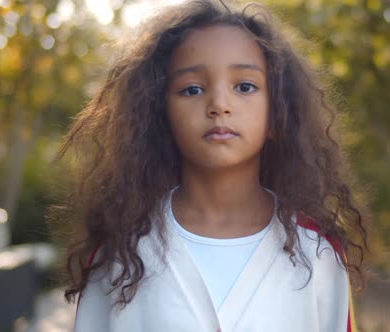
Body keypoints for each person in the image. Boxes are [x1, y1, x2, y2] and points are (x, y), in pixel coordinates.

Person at [57, 0, 367, 331]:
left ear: (278, 112)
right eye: (192, 89)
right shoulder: (120, 255)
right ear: (160, 116)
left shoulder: (318, 255)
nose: (219, 104)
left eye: (245, 86)